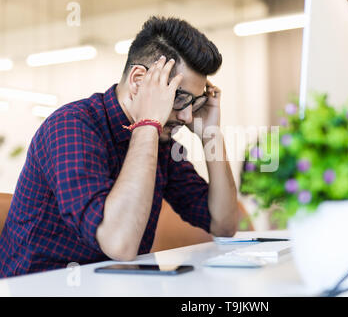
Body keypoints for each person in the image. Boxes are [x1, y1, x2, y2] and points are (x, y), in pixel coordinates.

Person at [0, 16, 239, 277]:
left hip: (114, 285)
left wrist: (211, 135)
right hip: (38, 288)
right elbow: (119, 244)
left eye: (194, 103)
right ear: (138, 80)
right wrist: (148, 123)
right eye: (178, 97)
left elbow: (223, 225)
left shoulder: (161, 143)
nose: (187, 117)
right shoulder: (70, 126)